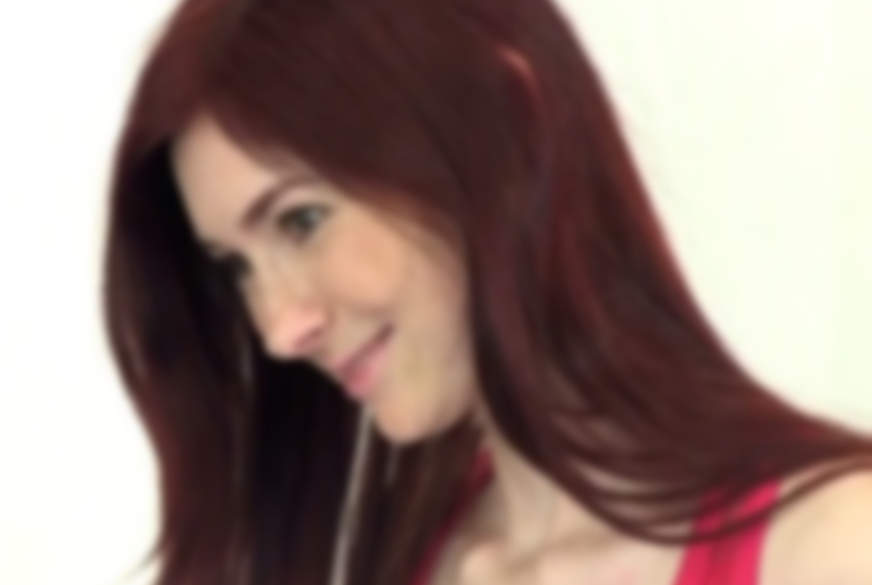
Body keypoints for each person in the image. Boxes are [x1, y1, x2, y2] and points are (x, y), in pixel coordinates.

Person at [102, 1, 872, 584]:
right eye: (235, 267)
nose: (278, 328)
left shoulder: (836, 548)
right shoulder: (419, 551)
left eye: (303, 220)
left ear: (507, 129)